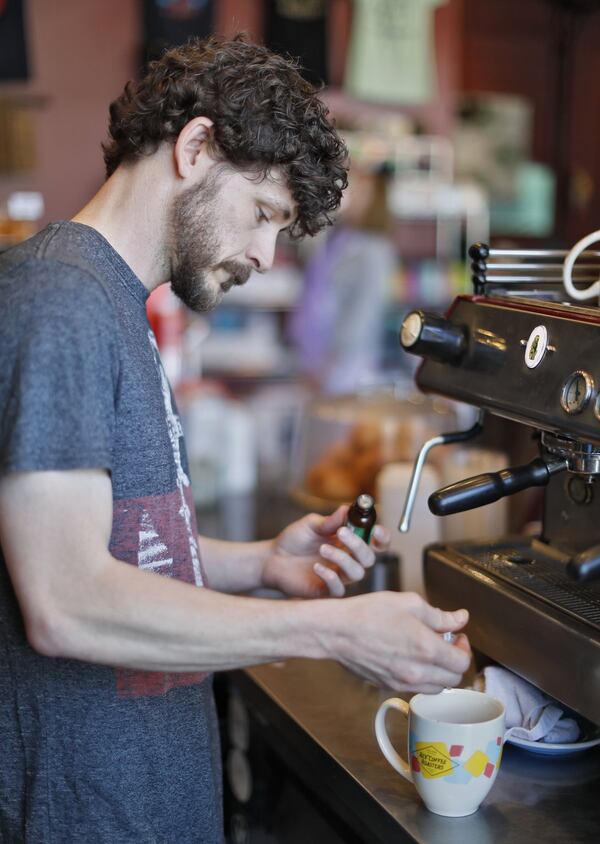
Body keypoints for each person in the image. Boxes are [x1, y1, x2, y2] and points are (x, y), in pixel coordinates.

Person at [0, 35, 471, 843]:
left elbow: (116, 536)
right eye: (263, 214)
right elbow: (66, 601)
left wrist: (262, 564)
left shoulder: (113, 299)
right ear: (194, 147)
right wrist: (334, 630)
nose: (263, 254)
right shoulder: (60, 300)